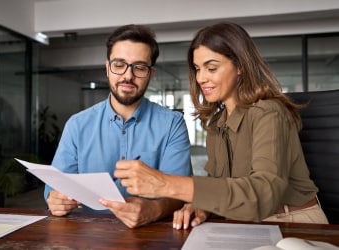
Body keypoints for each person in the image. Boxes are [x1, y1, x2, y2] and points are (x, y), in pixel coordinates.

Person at [113, 22, 329, 229]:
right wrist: (202, 206)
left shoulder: (269, 113)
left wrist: (165, 184)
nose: (201, 78)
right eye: (197, 69)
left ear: (240, 67)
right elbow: (220, 184)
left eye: (212, 68)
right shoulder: (217, 124)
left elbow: (263, 196)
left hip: (293, 222)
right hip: (245, 223)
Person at [44, 24, 192, 228]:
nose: (128, 76)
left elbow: (180, 192)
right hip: (90, 236)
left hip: (153, 235)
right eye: (119, 64)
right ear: (107, 68)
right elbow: (55, 186)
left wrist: (153, 210)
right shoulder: (77, 125)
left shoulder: (172, 124)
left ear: (151, 74)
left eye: (139, 67)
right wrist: (55, 198)